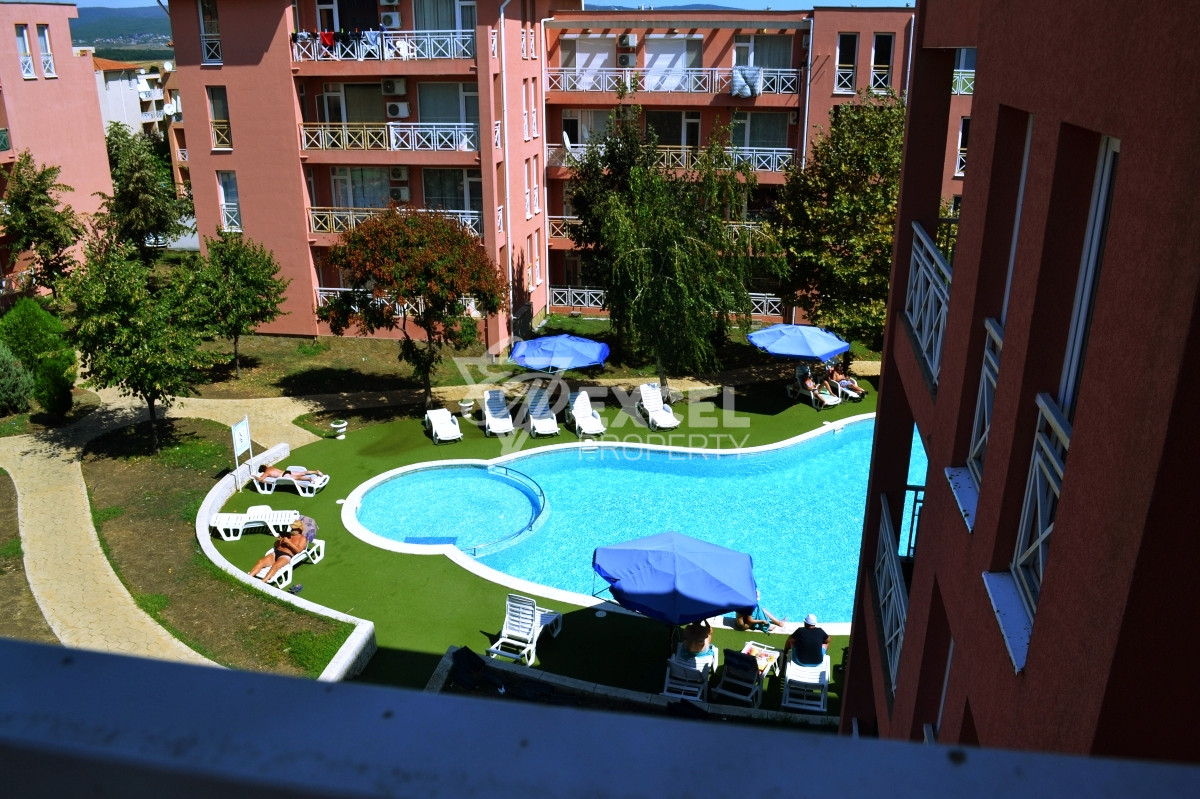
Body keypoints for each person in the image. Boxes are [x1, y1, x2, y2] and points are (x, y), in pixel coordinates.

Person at [249, 517, 316, 583]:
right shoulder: (286, 534)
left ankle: (263, 582)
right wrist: (278, 541)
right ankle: (248, 577)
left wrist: (288, 542)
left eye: (294, 528)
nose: (292, 529)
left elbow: (299, 550)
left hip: (286, 556)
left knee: (275, 566)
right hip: (276, 552)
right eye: (292, 528)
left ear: (299, 529)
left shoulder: (302, 538)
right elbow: (275, 545)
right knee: (261, 562)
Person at [255, 464, 323, 485]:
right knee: (303, 473)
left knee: (298, 478)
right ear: (265, 466)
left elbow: (260, 479)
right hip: (286, 471)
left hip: (284, 476)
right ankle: (315, 472)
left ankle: (309, 479)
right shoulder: (270, 467)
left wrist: (255, 477)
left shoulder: (266, 472)